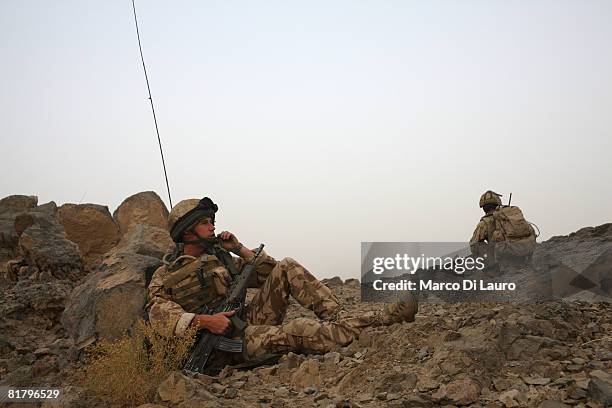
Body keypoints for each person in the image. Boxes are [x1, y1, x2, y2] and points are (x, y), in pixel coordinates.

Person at [146, 197, 417, 370]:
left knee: (287, 265)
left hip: (244, 323)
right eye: (205, 222)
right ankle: (381, 320)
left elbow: (270, 274)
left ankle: (342, 319)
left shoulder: (218, 259)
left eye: (212, 221)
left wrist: (239, 249)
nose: (212, 227)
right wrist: (206, 322)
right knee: (297, 329)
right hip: (219, 345)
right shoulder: (165, 275)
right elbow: (158, 315)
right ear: (187, 230)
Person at [470, 190, 536, 271]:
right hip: (526, 253)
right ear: (498, 204)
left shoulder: (485, 222)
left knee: (478, 245)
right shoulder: (511, 216)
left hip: (506, 260)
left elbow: (473, 244)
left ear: (484, 208)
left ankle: (493, 268)